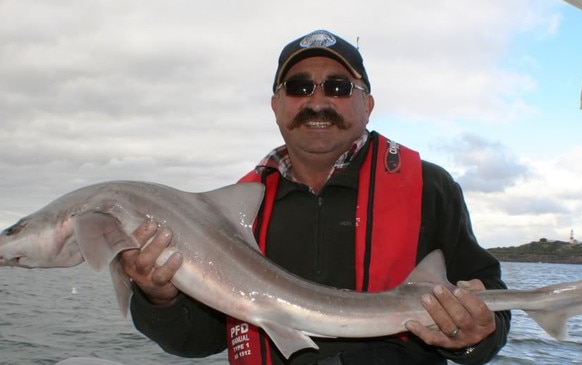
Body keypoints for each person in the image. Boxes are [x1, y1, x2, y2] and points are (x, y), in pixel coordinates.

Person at [119, 29, 511, 365]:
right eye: (299, 87)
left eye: (339, 87)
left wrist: (477, 336)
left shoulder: (430, 187)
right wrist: (159, 299)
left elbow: (491, 304)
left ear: (368, 105)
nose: (318, 102)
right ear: (276, 106)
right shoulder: (237, 209)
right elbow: (196, 339)